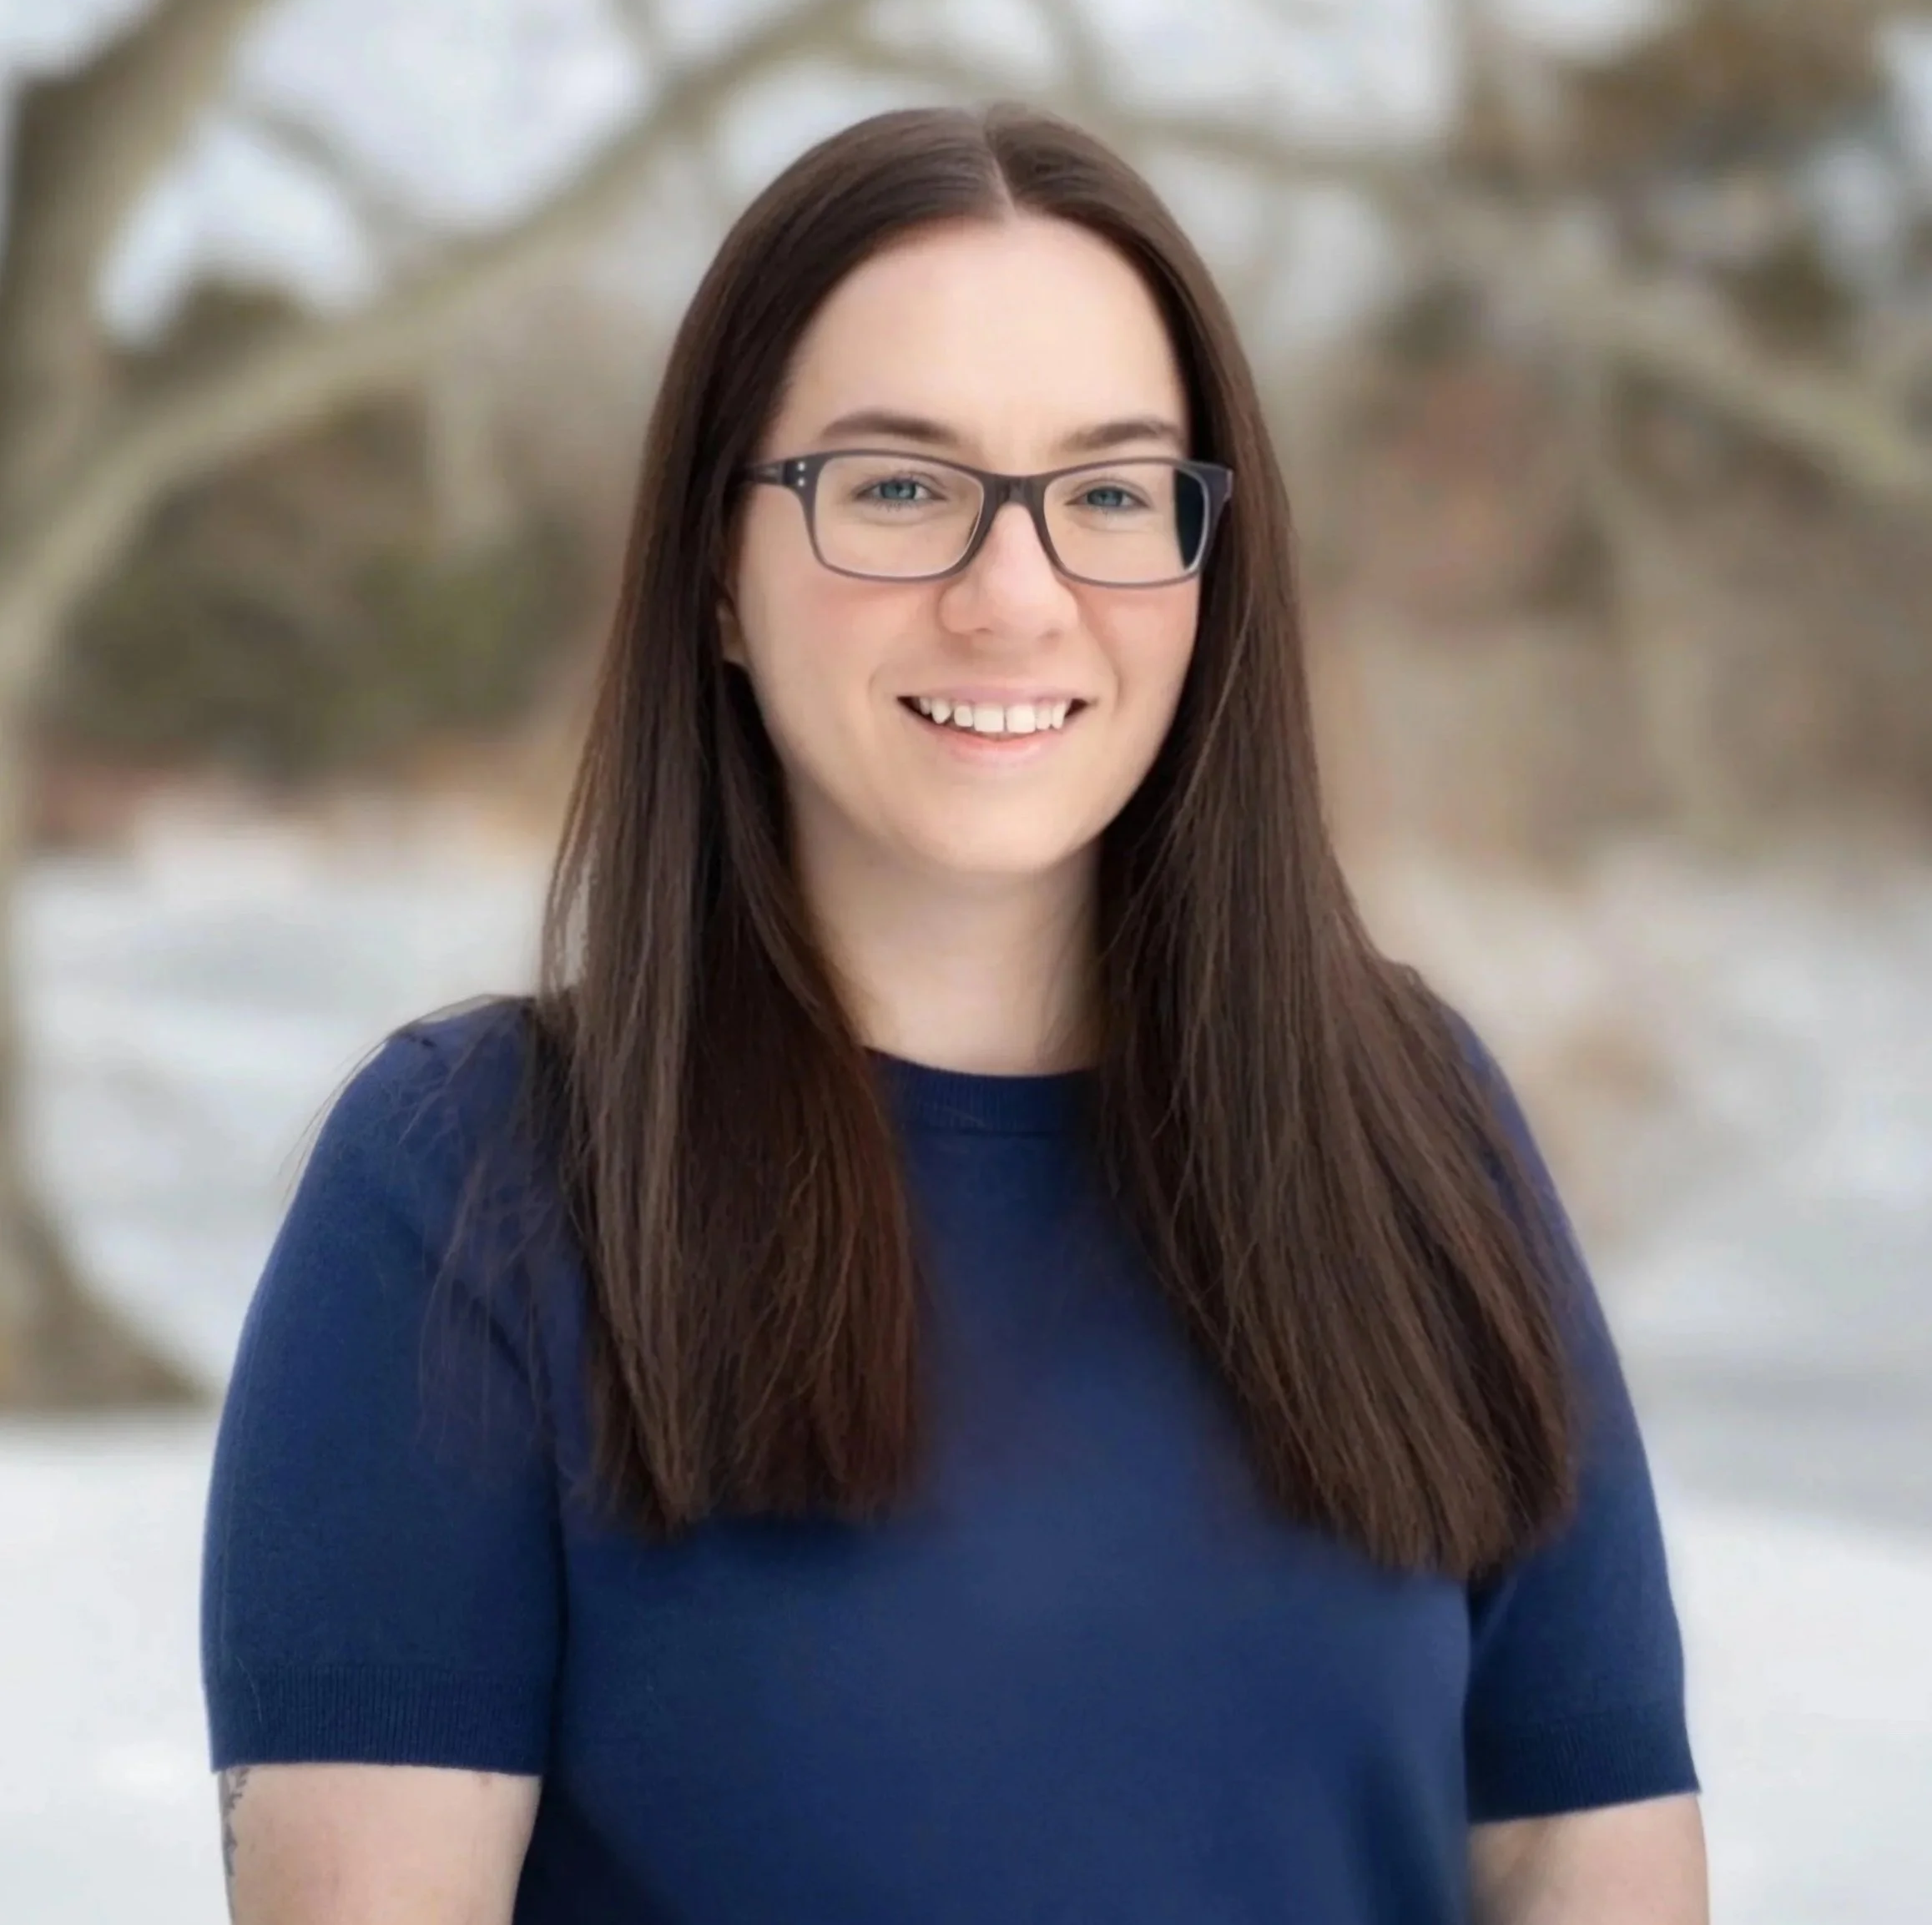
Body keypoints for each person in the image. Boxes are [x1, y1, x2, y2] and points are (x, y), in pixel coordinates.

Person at [200, 103, 1705, 1924]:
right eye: (898, 486)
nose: (1017, 595)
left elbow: (1574, 1850)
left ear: (1204, 562)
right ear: (717, 577)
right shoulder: (472, 1183)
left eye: (1111, 493)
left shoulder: (1410, 1129)